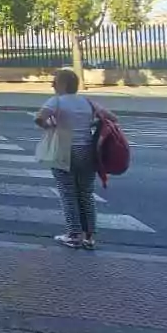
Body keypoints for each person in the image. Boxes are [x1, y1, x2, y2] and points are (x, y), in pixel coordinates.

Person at [35, 68, 112, 250]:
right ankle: (90, 237)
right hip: (87, 151)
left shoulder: (56, 101)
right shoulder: (87, 101)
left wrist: (48, 126)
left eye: (54, 80)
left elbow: (39, 118)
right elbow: (111, 118)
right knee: (86, 193)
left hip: (64, 150)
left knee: (68, 194)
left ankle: (73, 235)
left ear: (62, 84)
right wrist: (88, 124)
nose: (51, 84)